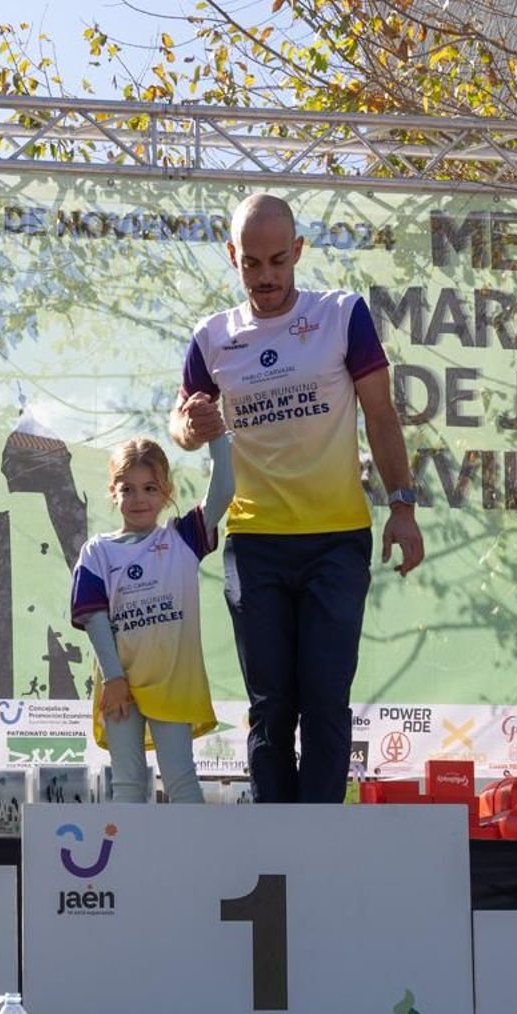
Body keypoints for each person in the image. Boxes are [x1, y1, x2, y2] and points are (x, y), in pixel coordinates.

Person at [169, 192, 424, 804]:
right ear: (232, 256)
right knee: (271, 704)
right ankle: (274, 840)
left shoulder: (342, 314)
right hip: (254, 541)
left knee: (325, 699)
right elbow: (181, 421)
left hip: (336, 539)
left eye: (278, 261)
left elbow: (381, 414)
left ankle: (321, 838)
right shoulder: (212, 336)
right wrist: (190, 427)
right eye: (251, 263)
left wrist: (403, 507)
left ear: (299, 251)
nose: (266, 276)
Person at [71, 435, 234, 803]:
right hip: (119, 685)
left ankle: (193, 845)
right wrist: (113, 678)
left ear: (166, 492)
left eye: (149, 488)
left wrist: (216, 435)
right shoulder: (97, 551)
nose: (138, 499)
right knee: (126, 785)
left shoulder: (183, 538)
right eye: (127, 489)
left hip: (172, 682)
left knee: (181, 780)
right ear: (113, 493)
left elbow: (224, 490)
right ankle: (126, 846)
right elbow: (94, 617)